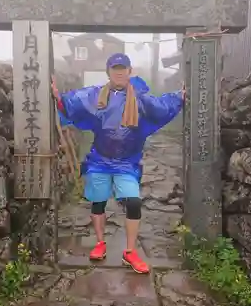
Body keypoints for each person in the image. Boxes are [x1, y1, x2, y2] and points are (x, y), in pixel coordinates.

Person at [52, 53, 185, 274]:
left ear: (130, 71)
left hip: (127, 162)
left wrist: (179, 97)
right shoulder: (95, 95)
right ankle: (100, 243)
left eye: (123, 68)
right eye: (115, 68)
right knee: (98, 202)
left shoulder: (140, 98)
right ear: (109, 72)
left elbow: (161, 105)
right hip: (100, 160)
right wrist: (58, 98)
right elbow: (72, 103)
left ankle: (130, 252)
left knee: (133, 202)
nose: (119, 72)